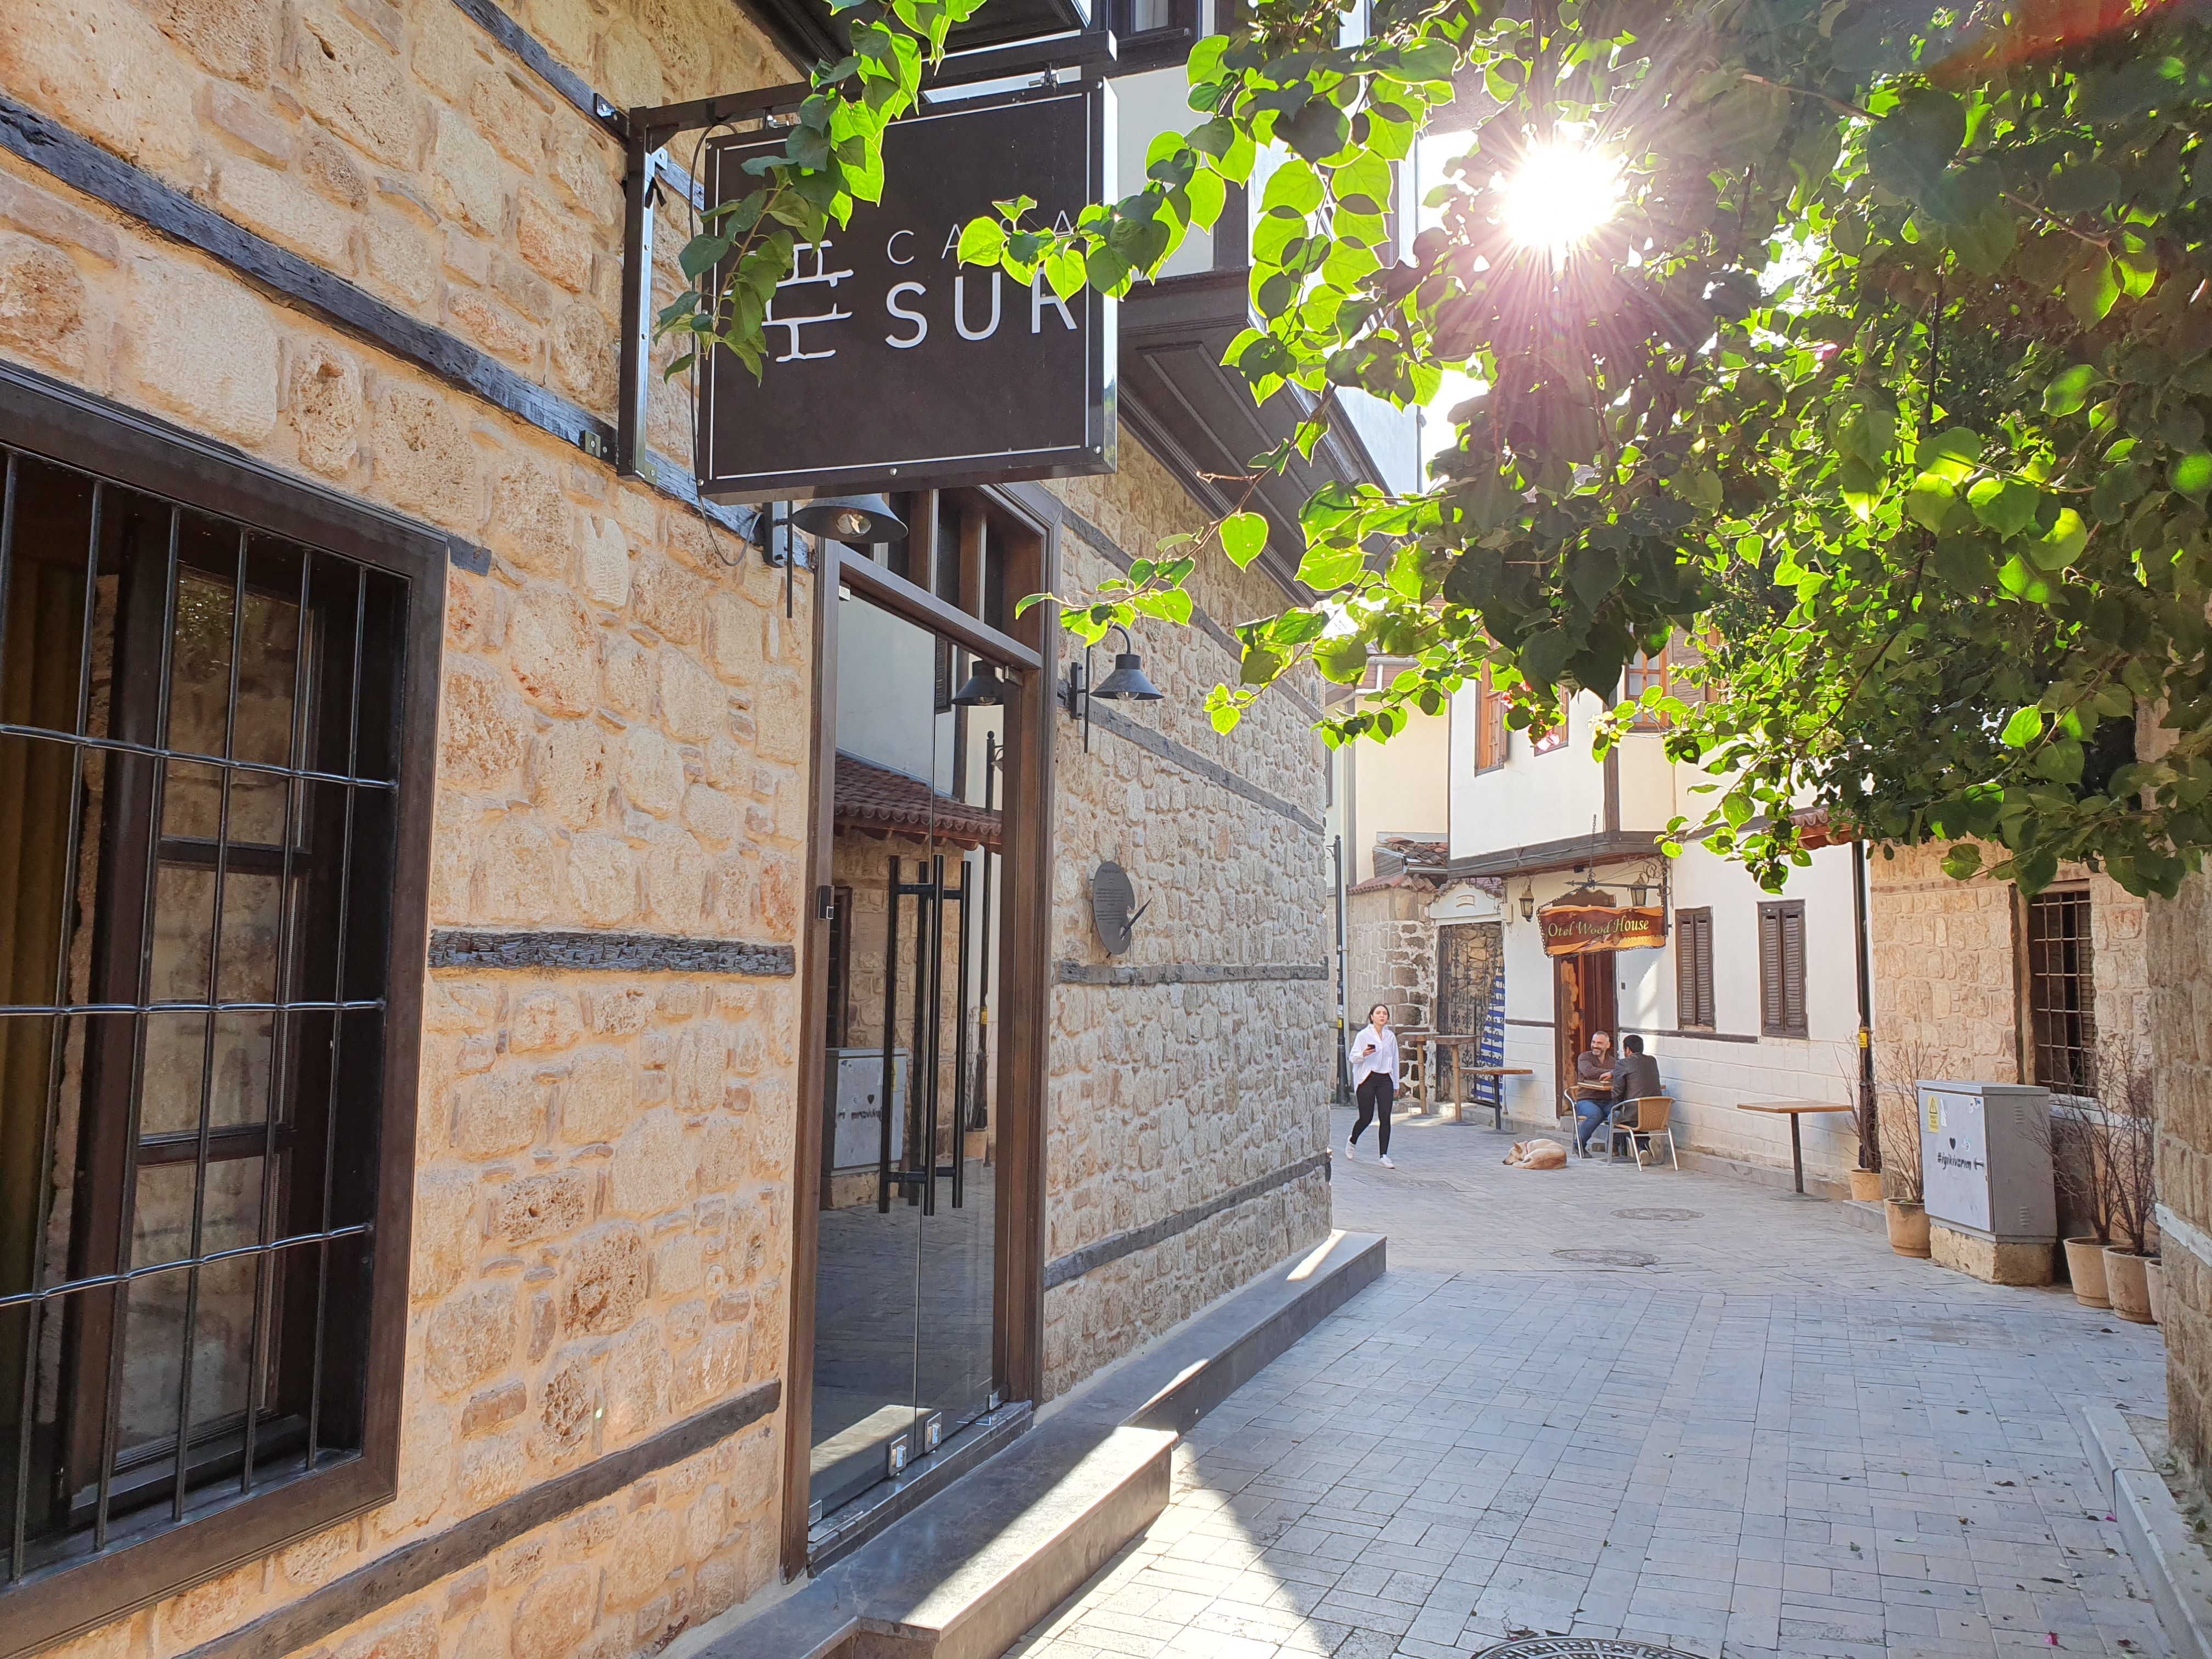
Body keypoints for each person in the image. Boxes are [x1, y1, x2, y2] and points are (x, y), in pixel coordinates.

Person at [1347, 1002, 1400, 1169]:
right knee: (1366, 1118)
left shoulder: (1390, 1037)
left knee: (1385, 1117)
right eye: (1378, 1013)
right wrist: (1363, 1054)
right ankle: (1352, 1140)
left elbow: (1395, 1060)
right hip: (1367, 1079)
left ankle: (1383, 1155)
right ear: (1372, 1017)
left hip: (1385, 1079)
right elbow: (1353, 1058)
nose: (1382, 1016)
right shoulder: (1364, 1035)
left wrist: (1396, 1083)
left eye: (1385, 1013)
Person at [1608, 1034, 1663, 1159]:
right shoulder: (1652, 1061)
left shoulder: (1622, 1064)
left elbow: (1617, 1091)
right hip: (1656, 1114)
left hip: (1634, 1115)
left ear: (1628, 1050)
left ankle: (1613, 1150)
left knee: (1613, 1116)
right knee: (1637, 1118)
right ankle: (1644, 1147)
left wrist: (1616, 1106)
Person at [1571, 1030, 1614, 1158]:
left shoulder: (1613, 1061)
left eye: (1599, 1043)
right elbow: (1589, 1072)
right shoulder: (1584, 1057)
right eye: (1593, 1042)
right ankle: (1578, 1144)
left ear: (1608, 1045)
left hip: (1607, 1099)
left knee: (1619, 1113)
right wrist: (1611, 1072)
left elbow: (1620, 1073)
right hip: (1586, 1099)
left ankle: (1615, 1146)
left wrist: (1613, 1072)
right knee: (1596, 1114)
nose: (1595, 1046)